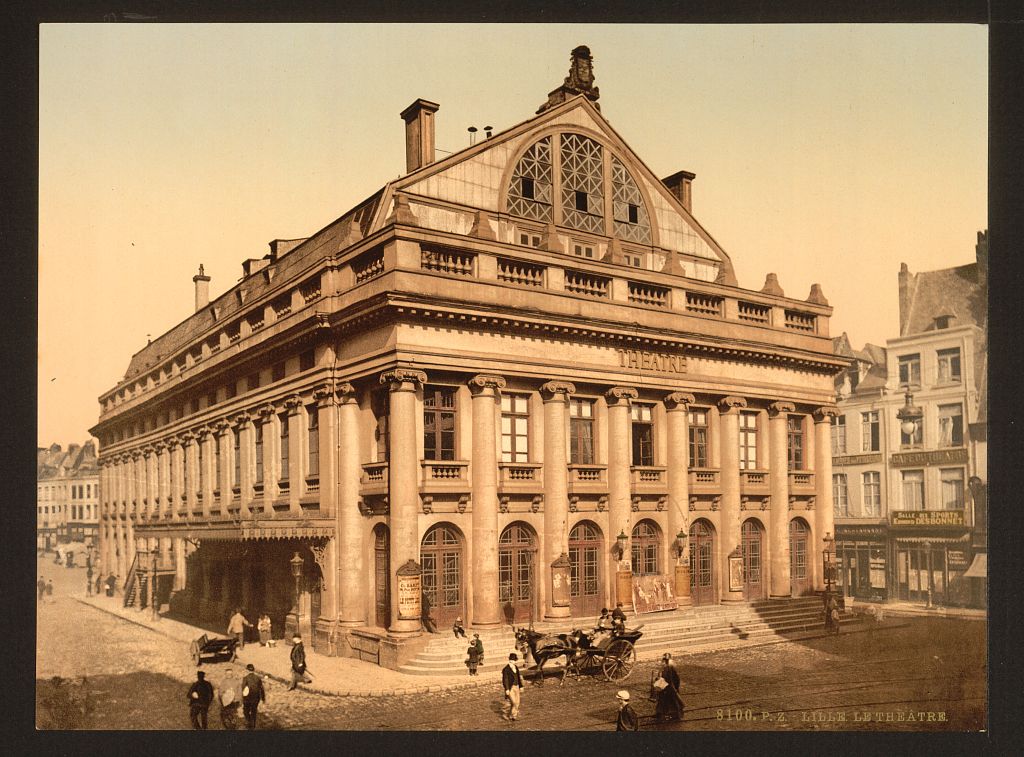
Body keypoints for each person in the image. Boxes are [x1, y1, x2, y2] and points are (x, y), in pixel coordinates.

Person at [653, 653, 684, 722]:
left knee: (673, 700)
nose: (663, 661)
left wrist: (674, 687)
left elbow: (674, 679)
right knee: (662, 700)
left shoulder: (670, 668)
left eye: (665, 660)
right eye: (663, 660)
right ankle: (659, 713)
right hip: (665, 686)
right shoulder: (665, 667)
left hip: (670, 687)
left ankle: (677, 715)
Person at [241, 663, 266, 729]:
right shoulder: (258, 678)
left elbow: (243, 689)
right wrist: (263, 698)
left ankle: (249, 721)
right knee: (254, 711)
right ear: (253, 670)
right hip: (256, 698)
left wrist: (242, 698)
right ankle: (253, 725)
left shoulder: (245, 678)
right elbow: (261, 688)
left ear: (247, 670)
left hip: (247, 699)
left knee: (246, 711)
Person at [501, 653, 524, 722]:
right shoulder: (506, 669)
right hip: (510, 688)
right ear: (510, 660)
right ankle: (508, 714)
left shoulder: (516, 667)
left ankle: (513, 716)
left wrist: (521, 686)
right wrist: (507, 689)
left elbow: (518, 677)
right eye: (512, 660)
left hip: (516, 686)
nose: (513, 662)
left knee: (517, 702)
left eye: (514, 660)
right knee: (513, 702)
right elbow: (505, 680)